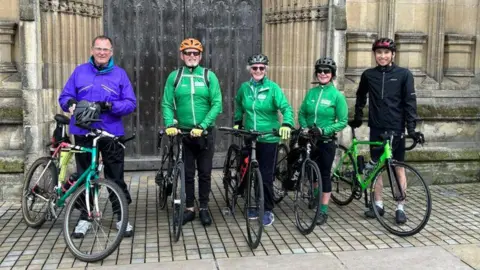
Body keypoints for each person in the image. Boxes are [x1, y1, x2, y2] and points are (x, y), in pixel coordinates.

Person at [58, 35, 137, 238]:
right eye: (98, 48)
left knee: (115, 176)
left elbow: (130, 103)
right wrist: (70, 104)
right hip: (84, 132)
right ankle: (85, 217)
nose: (102, 52)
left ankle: (121, 216)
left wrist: (111, 106)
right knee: (85, 175)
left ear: (111, 52)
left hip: (111, 133)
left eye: (106, 49)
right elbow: (65, 96)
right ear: (92, 50)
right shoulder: (79, 72)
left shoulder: (119, 75)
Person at [349, 38, 424, 224]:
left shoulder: (404, 74)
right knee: (376, 168)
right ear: (375, 55)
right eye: (379, 53)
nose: (382, 56)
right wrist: (358, 117)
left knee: (398, 168)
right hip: (376, 128)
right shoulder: (368, 75)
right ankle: (379, 204)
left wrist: (411, 128)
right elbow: (360, 96)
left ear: (393, 54)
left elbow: (410, 103)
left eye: (386, 52)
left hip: (396, 128)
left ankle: (400, 207)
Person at [162, 38, 223, 226]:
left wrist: (203, 125)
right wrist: (168, 124)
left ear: (200, 56)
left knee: (204, 172)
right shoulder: (175, 76)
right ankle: (189, 208)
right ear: (182, 55)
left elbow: (217, 103)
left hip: (204, 133)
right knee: (188, 173)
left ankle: (204, 207)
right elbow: (166, 102)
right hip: (184, 133)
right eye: (188, 53)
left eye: (195, 53)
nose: (192, 56)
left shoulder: (208, 76)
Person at [234, 53, 294, 226]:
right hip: (250, 135)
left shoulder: (273, 88)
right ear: (250, 70)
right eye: (255, 68)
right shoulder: (244, 88)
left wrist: (287, 124)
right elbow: (239, 104)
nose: (258, 70)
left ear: (265, 69)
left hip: (268, 137)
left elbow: (286, 108)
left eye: (261, 68)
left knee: (266, 175)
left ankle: (267, 208)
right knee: (251, 171)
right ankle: (253, 203)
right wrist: (238, 122)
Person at [298, 57, 348, 225]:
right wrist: (304, 127)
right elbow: (302, 112)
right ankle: (314, 194)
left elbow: (342, 121)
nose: (322, 74)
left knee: (324, 174)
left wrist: (324, 130)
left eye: (326, 71)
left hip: (326, 141)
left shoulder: (336, 96)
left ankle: (323, 210)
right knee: (311, 172)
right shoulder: (311, 93)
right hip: (310, 140)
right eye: (319, 71)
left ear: (332, 74)